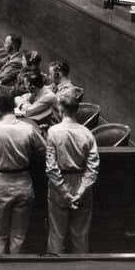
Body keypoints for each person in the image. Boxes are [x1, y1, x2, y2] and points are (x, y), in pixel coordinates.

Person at [0, 89, 45, 255]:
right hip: (23, 181)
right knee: (19, 235)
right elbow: (42, 149)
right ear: (14, 107)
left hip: (0, 182)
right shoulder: (28, 129)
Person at [44, 92, 100, 254]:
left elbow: (51, 167)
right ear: (77, 110)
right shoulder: (88, 133)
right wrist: (81, 191)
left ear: (61, 109)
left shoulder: (53, 132)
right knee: (81, 234)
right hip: (82, 182)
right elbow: (93, 167)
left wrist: (65, 193)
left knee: (56, 233)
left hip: (59, 185)